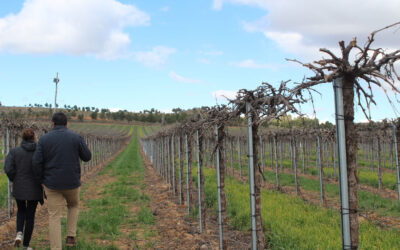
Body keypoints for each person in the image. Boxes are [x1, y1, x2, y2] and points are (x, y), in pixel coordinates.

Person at [32, 112, 91, 250]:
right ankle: (70, 236)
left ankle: (56, 248)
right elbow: (87, 156)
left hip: (51, 184)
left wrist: (41, 180)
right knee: (73, 205)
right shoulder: (76, 137)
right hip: (72, 182)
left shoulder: (44, 139)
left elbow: (36, 163)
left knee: (54, 216)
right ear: (66, 124)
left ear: (52, 124)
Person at [4, 128, 43, 250]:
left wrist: (15, 179)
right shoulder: (39, 152)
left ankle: (19, 232)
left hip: (19, 187)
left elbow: (8, 168)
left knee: (21, 211)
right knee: (30, 216)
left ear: (22, 138)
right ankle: (26, 245)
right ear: (34, 138)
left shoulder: (14, 152)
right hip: (35, 189)